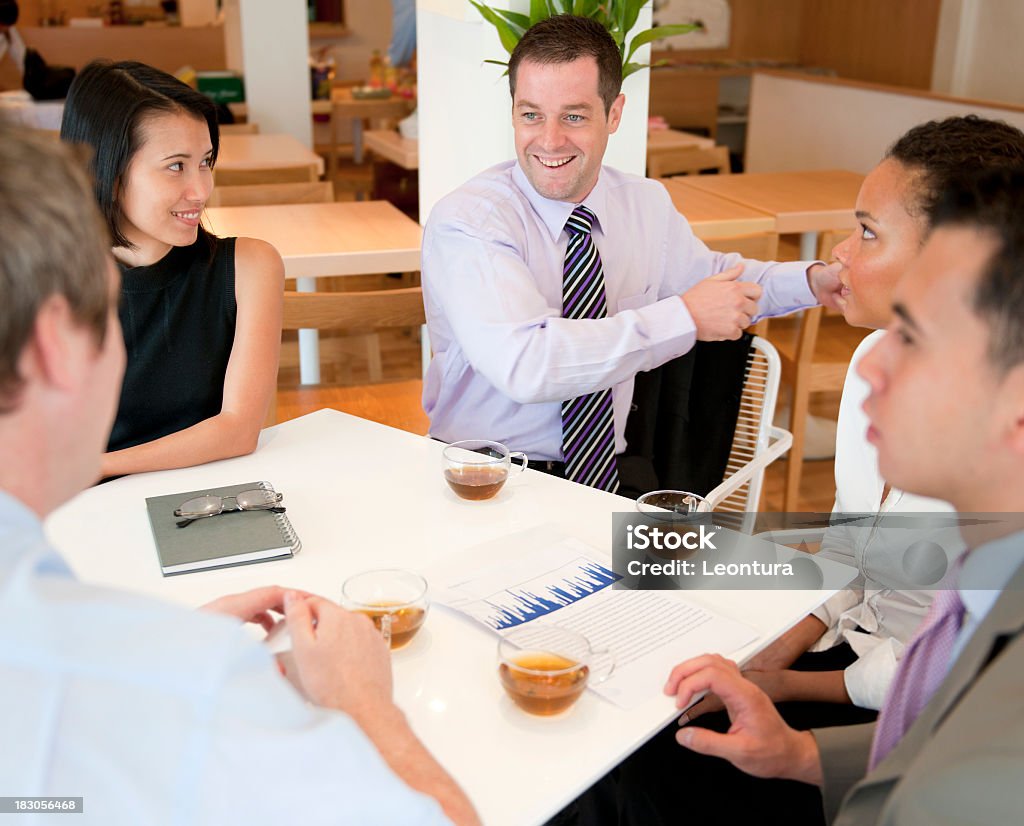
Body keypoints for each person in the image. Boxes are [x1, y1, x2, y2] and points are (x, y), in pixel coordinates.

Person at [0, 124, 478, 825]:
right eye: (109, 318)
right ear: (56, 347)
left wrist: (155, 649)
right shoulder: (189, 686)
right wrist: (363, 703)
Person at [587, 116, 1024, 826]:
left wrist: (785, 687)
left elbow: (929, 678)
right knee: (625, 737)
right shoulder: (870, 365)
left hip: (872, 693)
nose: (841, 257)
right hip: (852, 662)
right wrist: (770, 658)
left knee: (641, 779)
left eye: (868, 233)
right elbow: (853, 551)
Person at [421, 14, 840, 492]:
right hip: (489, 475)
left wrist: (813, 281)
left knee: (689, 565)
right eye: (531, 114)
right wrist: (682, 318)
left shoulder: (643, 204)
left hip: (613, 470)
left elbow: (717, 280)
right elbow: (526, 365)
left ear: (614, 114)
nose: (550, 139)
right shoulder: (471, 221)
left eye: (574, 116)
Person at [60, 60, 284, 479]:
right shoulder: (44, 284)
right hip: (80, 515)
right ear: (107, 172)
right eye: (176, 166)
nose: (200, 191)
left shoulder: (250, 268)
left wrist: (94, 467)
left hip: (209, 503)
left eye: (206, 161)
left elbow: (237, 430)